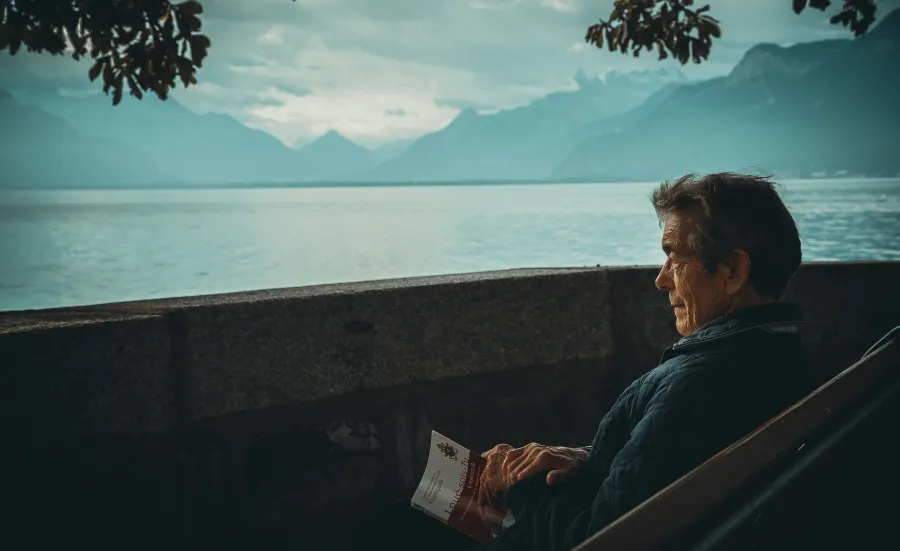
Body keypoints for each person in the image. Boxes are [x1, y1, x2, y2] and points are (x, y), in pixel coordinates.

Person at [351, 172, 811, 551]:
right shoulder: (773, 355)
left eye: (674, 257)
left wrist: (515, 483)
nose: (660, 280)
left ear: (733, 271)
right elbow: (656, 470)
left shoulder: (703, 382)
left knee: (387, 528)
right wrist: (584, 459)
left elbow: (602, 538)